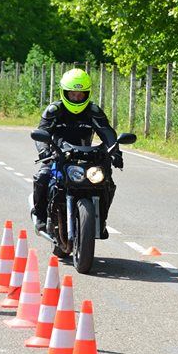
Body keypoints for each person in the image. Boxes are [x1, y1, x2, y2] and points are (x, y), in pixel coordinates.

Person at [31, 68, 122, 235]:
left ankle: (100, 221)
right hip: (58, 154)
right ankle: (41, 218)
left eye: (80, 95)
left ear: (86, 94)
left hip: (86, 156)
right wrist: (44, 152)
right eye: (72, 94)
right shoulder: (54, 111)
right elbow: (41, 133)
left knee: (106, 182)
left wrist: (115, 152)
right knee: (43, 177)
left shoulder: (93, 111)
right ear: (64, 93)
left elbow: (107, 132)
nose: (76, 98)